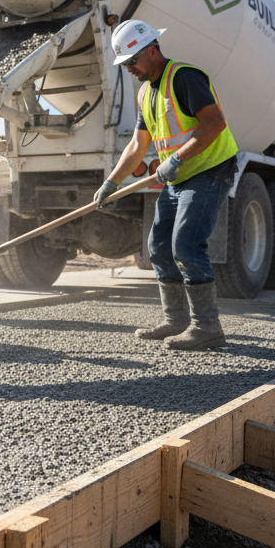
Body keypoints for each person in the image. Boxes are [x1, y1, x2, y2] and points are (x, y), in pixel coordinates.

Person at [93, 20, 239, 350]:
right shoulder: (146, 92)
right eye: (125, 63)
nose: (129, 68)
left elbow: (214, 123)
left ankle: (208, 327)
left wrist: (176, 159)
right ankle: (176, 321)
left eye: (132, 61)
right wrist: (112, 182)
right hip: (181, 177)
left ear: (152, 50)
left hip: (209, 169)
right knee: (158, 247)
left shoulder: (185, 77)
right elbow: (137, 145)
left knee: (186, 245)